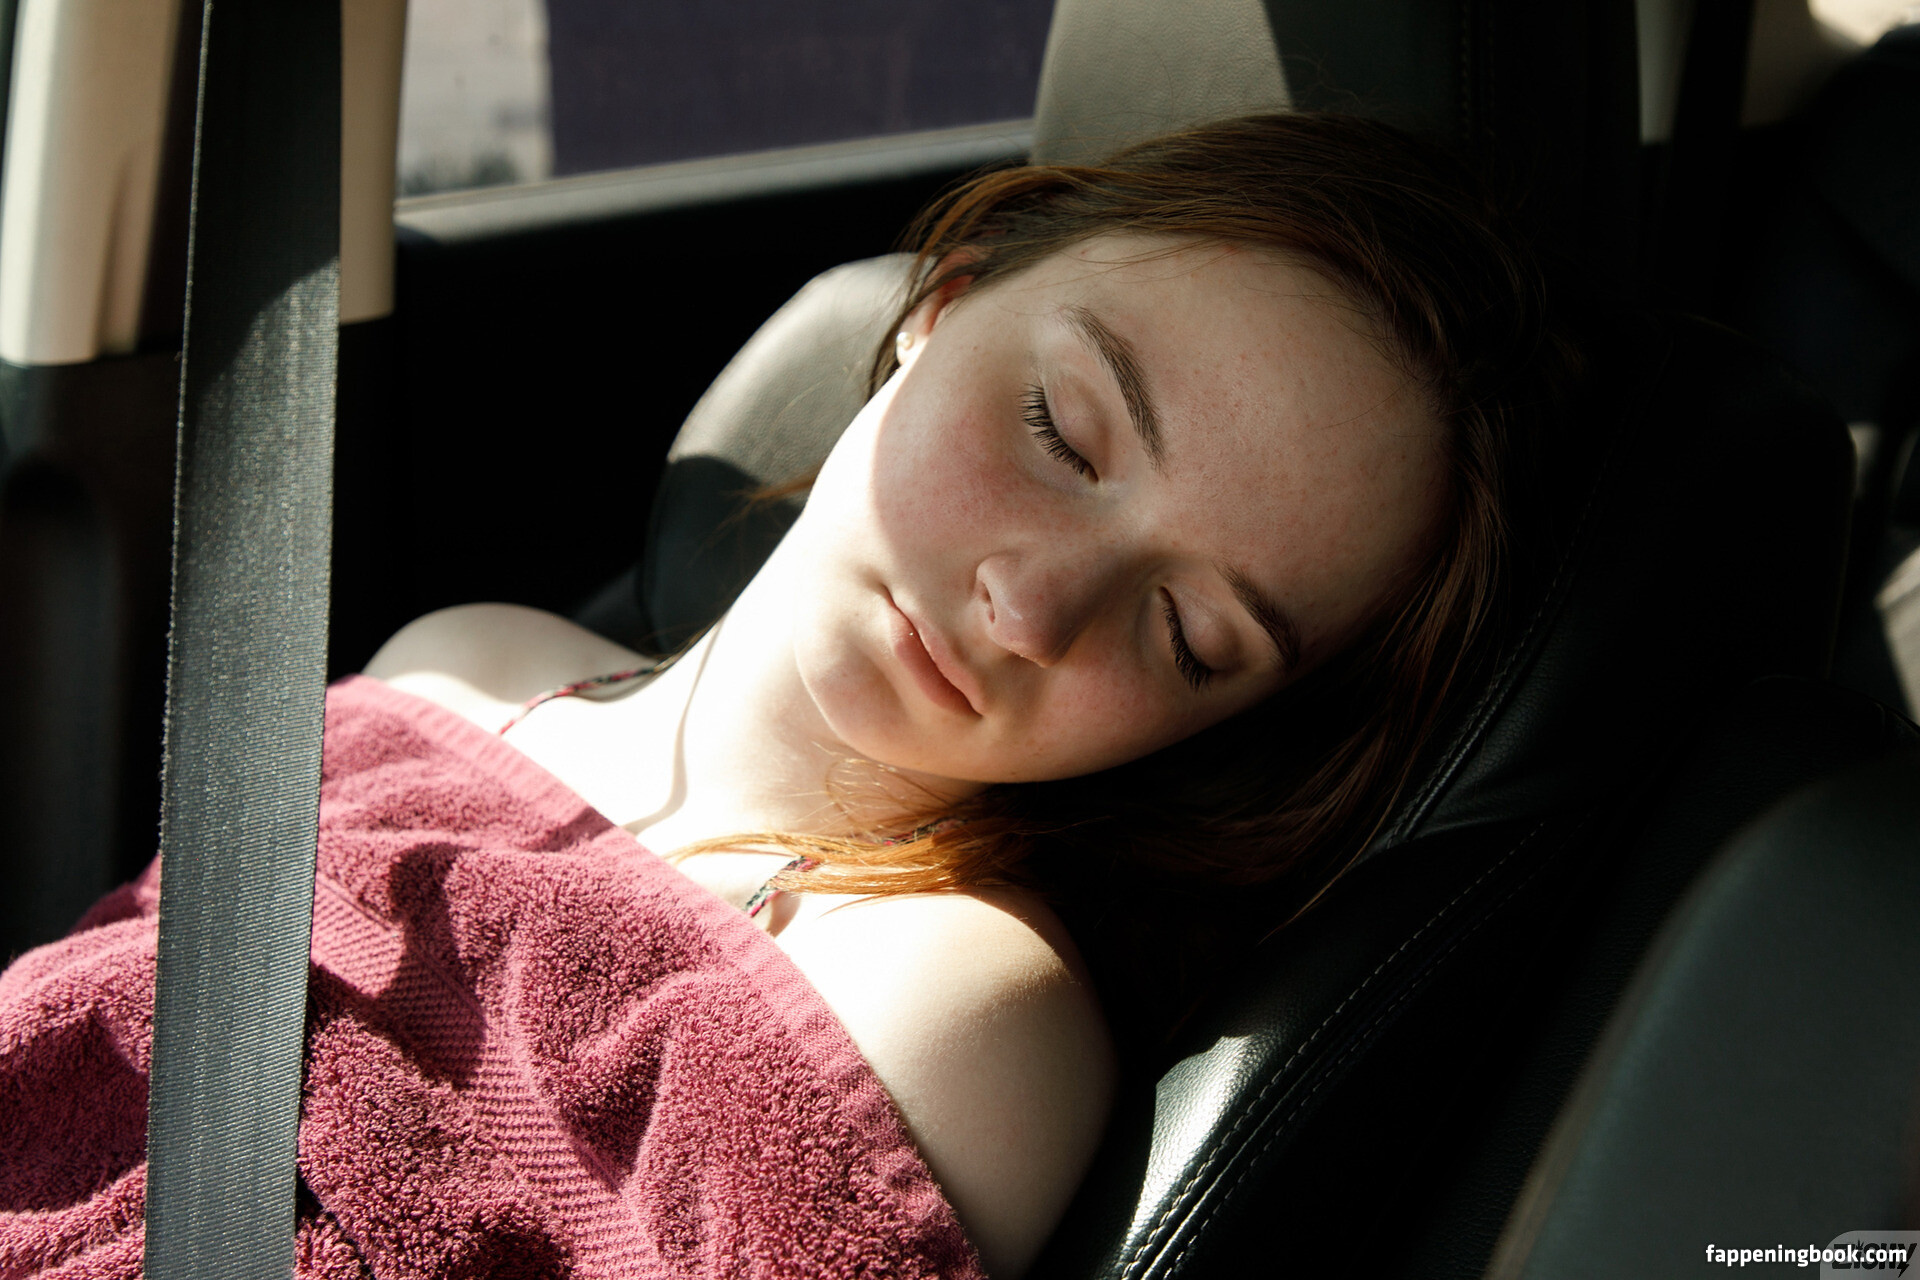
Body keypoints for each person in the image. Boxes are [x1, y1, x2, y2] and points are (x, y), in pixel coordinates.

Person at [0, 114, 1572, 1279]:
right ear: (942, 306)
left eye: (1189, 636)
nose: (1031, 611)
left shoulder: (958, 1001)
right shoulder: (456, 660)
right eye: (1060, 430)